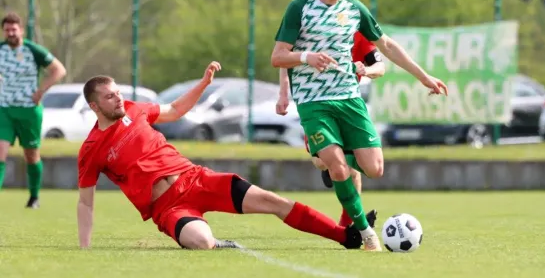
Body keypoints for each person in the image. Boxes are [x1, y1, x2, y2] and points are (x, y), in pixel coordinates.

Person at [76, 62, 374, 250]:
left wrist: (203, 84)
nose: (118, 98)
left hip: (197, 179)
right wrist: (85, 247)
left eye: (117, 92)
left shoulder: (133, 109)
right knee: (202, 242)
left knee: (274, 202)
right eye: (109, 96)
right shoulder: (91, 148)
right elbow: (85, 201)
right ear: (94, 106)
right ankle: (218, 243)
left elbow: (175, 110)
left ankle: (344, 236)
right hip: (167, 208)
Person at [270, 0, 448, 252]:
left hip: (349, 99)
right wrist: (306, 57)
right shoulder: (300, 7)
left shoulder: (354, 9)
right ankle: (366, 234)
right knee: (340, 169)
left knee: (374, 168)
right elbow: (277, 57)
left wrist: (424, 77)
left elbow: (387, 47)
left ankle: (326, 150)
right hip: (314, 103)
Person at [276, 0, 386, 228]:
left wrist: (366, 70)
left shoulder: (358, 30)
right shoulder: (313, 23)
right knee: (323, 162)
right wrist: (284, 92)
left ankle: (349, 226)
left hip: (347, 104)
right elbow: (285, 57)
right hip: (317, 104)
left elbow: (380, 66)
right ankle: (334, 165)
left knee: (353, 169)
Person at [0, 12, 67, 208]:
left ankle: (34, 197)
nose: (11, 33)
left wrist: (41, 90)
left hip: (29, 110)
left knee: (31, 154)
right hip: (4, 109)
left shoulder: (32, 50)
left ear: (20, 30)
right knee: (0, 151)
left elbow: (59, 70)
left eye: (14, 29)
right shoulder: (1, 50)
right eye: (7, 30)